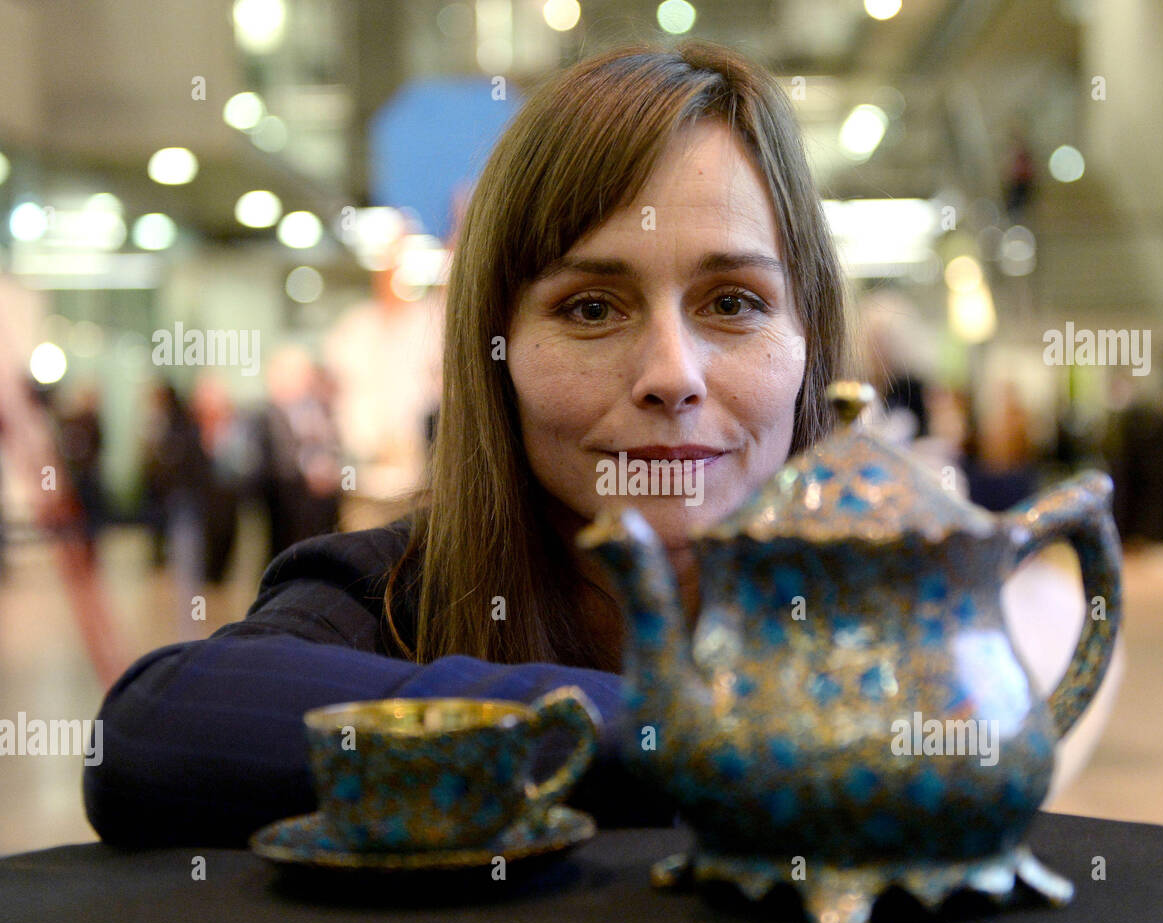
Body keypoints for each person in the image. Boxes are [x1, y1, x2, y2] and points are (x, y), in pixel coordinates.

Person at [83, 41, 846, 847]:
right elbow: (159, 726)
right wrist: (694, 734)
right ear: (496, 350)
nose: (671, 375)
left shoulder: (930, 598)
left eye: (733, 301)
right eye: (591, 308)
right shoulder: (394, 594)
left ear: (810, 340)